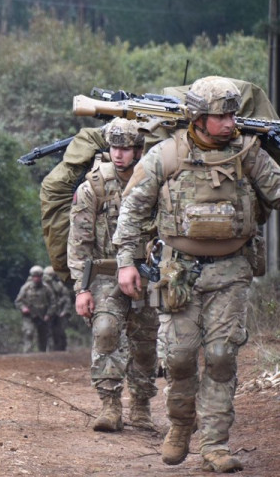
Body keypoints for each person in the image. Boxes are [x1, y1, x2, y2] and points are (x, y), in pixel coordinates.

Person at [114, 76, 280, 472]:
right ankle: (179, 427)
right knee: (180, 358)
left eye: (233, 115)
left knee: (222, 356)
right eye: (220, 116)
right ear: (199, 118)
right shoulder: (165, 156)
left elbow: (276, 192)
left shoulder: (249, 153)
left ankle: (215, 445)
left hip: (232, 271)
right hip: (178, 273)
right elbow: (133, 210)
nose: (229, 123)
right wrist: (125, 262)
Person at [67, 118, 157, 433]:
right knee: (106, 330)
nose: (119, 154)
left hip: (148, 273)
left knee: (145, 342)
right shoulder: (93, 186)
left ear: (138, 149)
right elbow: (78, 243)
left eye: (126, 148)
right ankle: (109, 404)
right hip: (105, 273)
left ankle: (142, 405)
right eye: (115, 147)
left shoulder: (154, 181)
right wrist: (81, 289)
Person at [14, 265, 55, 353]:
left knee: (43, 336)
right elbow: (18, 301)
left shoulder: (47, 288)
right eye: (34, 276)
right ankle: (27, 353)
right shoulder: (26, 288)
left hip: (43, 316)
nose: (36, 279)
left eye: (38, 276)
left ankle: (41, 355)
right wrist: (23, 308)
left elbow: (53, 303)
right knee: (28, 332)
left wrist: (48, 314)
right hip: (29, 316)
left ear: (41, 277)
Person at [43, 265, 72, 352]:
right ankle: (49, 350)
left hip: (59, 313)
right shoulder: (43, 286)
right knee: (48, 332)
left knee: (59, 332)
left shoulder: (59, 286)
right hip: (48, 312)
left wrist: (64, 311)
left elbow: (67, 300)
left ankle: (60, 349)